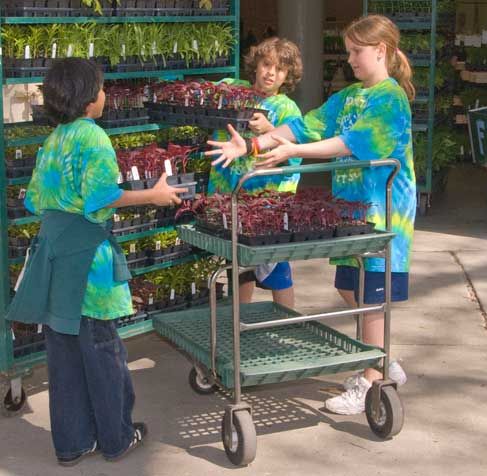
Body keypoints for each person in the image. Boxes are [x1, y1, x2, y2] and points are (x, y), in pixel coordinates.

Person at [206, 15, 416, 415]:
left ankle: (372, 379)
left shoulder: (390, 98)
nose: (350, 58)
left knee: (372, 297)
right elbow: (304, 126)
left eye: (356, 51)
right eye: (350, 50)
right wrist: (252, 146)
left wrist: (291, 152)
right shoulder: (351, 95)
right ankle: (382, 357)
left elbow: (348, 143)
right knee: (350, 288)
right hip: (350, 212)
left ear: (381, 51)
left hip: (383, 214)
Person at [6, 58, 186, 465]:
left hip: (53, 261)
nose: (105, 95)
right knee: (103, 352)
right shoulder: (94, 138)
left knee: (64, 356)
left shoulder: (53, 141)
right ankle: (117, 437)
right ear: (89, 98)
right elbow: (100, 199)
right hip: (89, 264)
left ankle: (71, 443)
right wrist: (153, 196)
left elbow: (33, 200)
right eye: (102, 88)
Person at [208, 37, 303, 308]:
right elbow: (206, 91)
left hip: (266, 204)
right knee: (238, 266)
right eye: (266, 64)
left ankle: (287, 321)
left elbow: (295, 153)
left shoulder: (287, 109)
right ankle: (241, 318)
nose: (270, 72)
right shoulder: (234, 90)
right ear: (256, 65)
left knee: (277, 270)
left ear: (288, 76)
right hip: (229, 196)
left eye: (280, 69)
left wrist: (270, 130)